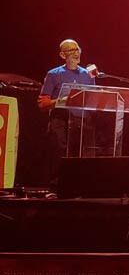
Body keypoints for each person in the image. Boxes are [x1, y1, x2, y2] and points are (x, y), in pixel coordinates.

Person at [37, 39, 96, 188]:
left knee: (84, 159)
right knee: (60, 159)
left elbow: (93, 99)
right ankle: (58, 190)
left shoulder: (88, 75)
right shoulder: (54, 74)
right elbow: (42, 104)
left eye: (78, 49)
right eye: (71, 50)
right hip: (61, 122)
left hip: (83, 122)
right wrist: (61, 101)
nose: (76, 53)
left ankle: (84, 189)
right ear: (62, 55)